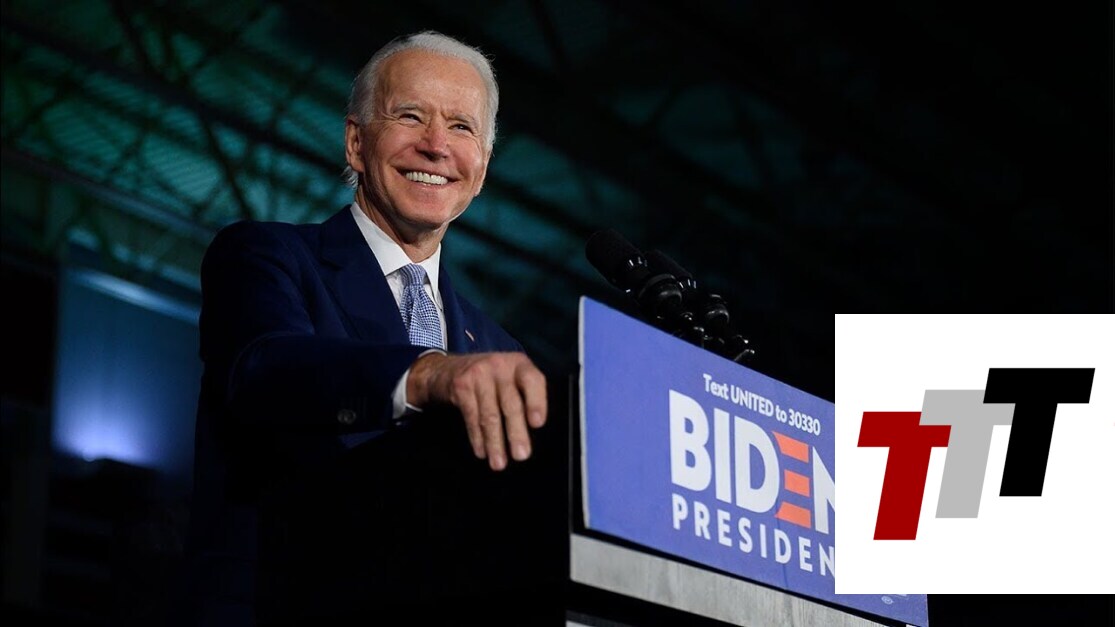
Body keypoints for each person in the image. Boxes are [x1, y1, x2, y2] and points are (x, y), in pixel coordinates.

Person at [181, 31, 558, 626]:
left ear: (482, 168)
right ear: (356, 142)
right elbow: (264, 373)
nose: (436, 146)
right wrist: (426, 375)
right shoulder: (266, 256)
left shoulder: (498, 348)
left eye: (461, 127)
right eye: (410, 116)